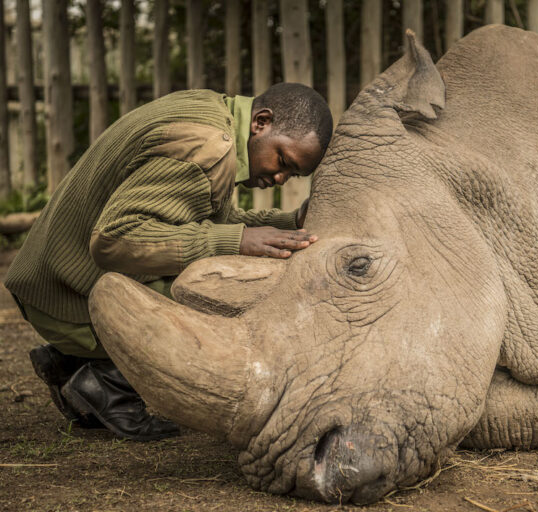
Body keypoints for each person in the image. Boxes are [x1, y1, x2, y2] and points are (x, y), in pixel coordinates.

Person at [4, 83, 333, 441]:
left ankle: (74, 361)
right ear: (261, 122)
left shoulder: (212, 114)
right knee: (226, 295)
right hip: (64, 296)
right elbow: (114, 240)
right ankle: (105, 380)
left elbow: (205, 221)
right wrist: (236, 242)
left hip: (52, 280)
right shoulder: (208, 148)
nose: (280, 177)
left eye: (293, 174)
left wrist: (289, 224)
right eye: (283, 160)